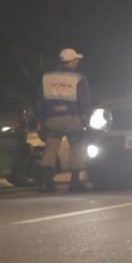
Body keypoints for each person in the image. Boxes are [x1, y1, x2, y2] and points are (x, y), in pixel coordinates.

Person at [36, 48, 92, 193]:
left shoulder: (46, 77)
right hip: (72, 119)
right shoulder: (79, 77)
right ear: (72, 61)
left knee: (50, 150)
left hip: (51, 120)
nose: (77, 62)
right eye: (76, 60)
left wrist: (41, 120)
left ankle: (46, 183)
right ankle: (75, 182)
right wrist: (86, 119)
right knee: (76, 147)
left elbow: (40, 101)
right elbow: (84, 101)